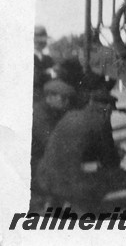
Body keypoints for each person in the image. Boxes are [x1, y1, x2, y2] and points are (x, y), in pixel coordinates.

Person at [35, 85, 126, 213]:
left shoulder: (70, 115)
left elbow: (73, 148)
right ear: (108, 109)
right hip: (69, 184)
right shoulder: (101, 122)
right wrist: (117, 153)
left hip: (45, 178)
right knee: (119, 174)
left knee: (68, 169)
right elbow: (110, 161)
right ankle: (85, 209)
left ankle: (54, 207)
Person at [29, 79, 77, 212]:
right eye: (63, 98)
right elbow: (52, 143)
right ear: (50, 97)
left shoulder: (52, 111)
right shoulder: (39, 115)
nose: (67, 102)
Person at [33, 25, 54, 103]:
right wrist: (48, 73)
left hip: (46, 95)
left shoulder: (48, 58)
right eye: (37, 41)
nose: (40, 43)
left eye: (43, 41)